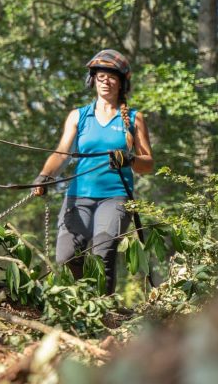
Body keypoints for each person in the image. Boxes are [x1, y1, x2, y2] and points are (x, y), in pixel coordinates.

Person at [31, 49, 154, 295]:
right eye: (100, 76)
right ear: (92, 80)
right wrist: (44, 177)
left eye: (111, 77)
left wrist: (129, 159)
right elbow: (61, 153)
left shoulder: (133, 117)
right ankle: (81, 303)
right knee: (66, 255)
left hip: (116, 196)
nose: (105, 81)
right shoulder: (79, 116)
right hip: (79, 195)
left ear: (121, 83)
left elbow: (148, 164)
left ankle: (104, 311)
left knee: (103, 252)